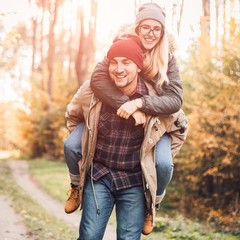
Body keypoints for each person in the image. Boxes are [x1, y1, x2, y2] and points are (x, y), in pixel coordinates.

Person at [64, 2, 188, 235]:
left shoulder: (167, 57)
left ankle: (153, 203)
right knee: (71, 144)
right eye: (145, 27)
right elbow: (97, 80)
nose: (150, 33)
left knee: (163, 163)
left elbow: (175, 103)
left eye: (156, 29)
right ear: (137, 28)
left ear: (162, 32)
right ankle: (76, 185)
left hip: (154, 114)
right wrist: (127, 105)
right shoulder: (119, 46)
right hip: (115, 122)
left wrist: (140, 103)